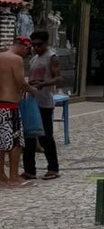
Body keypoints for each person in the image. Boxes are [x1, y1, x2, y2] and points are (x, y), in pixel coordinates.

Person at [23, 30, 60, 180]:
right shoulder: (34, 59)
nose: (36, 48)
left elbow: (58, 77)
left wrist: (43, 84)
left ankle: (53, 168)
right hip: (32, 100)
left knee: (46, 137)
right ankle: (29, 170)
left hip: (44, 102)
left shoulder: (52, 57)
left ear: (46, 43)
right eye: (34, 45)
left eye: (39, 45)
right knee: (29, 137)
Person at [0, 37, 37, 187]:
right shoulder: (16, 59)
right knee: (15, 142)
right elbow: (20, 82)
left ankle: (1, 176)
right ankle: (14, 177)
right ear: (24, 47)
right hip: (10, 106)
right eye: (28, 50)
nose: (27, 54)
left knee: (1, 142)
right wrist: (33, 90)